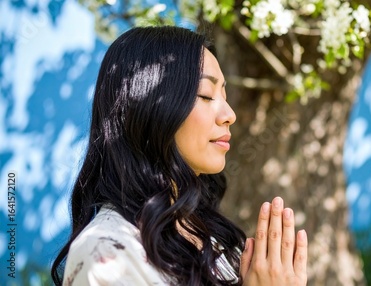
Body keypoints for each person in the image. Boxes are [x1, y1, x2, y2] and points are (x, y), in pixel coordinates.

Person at [51, 26, 308, 286]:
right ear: (149, 108)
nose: (230, 114)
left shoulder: (206, 236)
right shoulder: (106, 255)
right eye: (206, 95)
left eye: (225, 96)